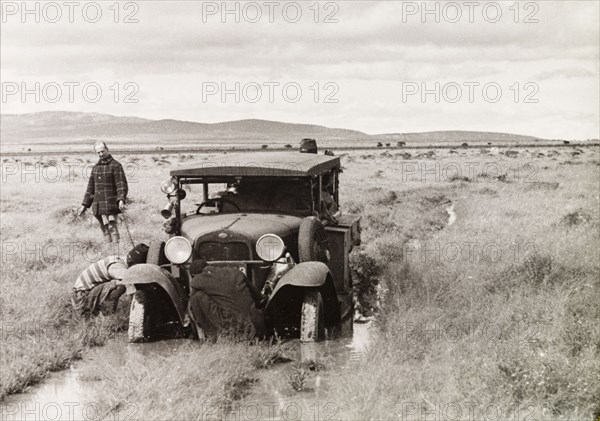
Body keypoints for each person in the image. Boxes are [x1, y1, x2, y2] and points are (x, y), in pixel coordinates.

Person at [71, 243, 149, 316]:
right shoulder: (116, 266)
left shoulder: (121, 260)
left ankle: (101, 310)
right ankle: (107, 314)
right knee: (120, 284)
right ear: (132, 263)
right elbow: (128, 281)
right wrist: (139, 305)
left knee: (119, 283)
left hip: (84, 294)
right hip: (81, 299)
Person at [78, 142, 128, 243]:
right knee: (104, 228)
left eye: (102, 151)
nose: (101, 154)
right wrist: (85, 205)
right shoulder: (96, 167)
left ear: (107, 150)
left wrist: (121, 199)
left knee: (112, 227)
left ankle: (116, 250)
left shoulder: (116, 165)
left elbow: (121, 185)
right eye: (98, 152)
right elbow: (90, 188)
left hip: (110, 203)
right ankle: (108, 251)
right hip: (98, 203)